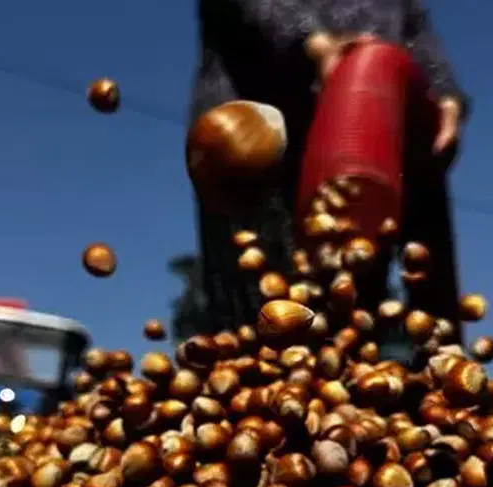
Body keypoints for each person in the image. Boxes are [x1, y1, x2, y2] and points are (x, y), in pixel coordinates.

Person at [191, 0, 471, 345]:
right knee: (264, 321)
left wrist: (444, 92)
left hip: (373, 134)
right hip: (263, 132)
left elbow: (414, 25)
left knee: (355, 318)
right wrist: (310, 40)